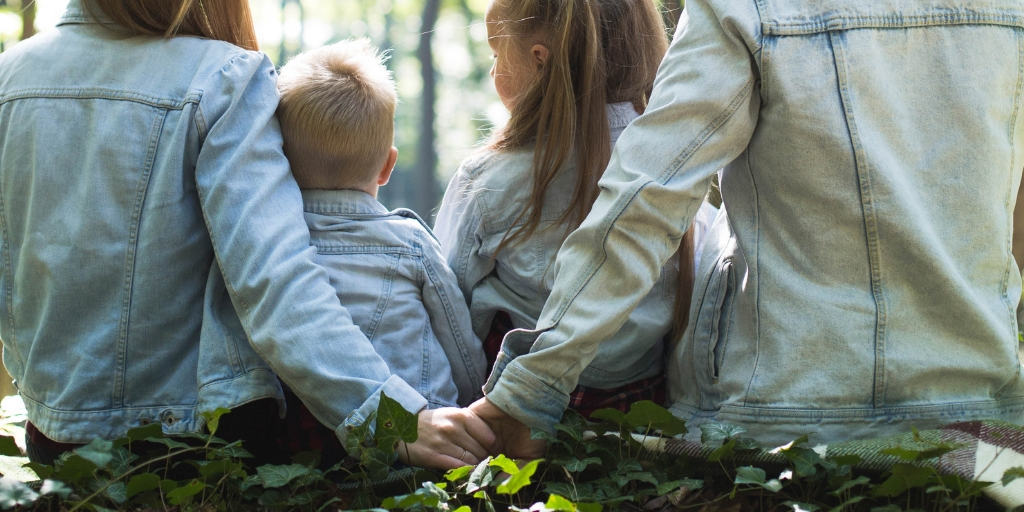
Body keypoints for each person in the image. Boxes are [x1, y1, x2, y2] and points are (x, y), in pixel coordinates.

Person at [470, 0, 1024, 456]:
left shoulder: (746, 5)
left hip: (783, 416)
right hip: (978, 408)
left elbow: (649, 197)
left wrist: (532, 388)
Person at [0, 0, 492, 469]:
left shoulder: (9, 76)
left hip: (54, 439)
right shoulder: (220, 79)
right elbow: (274, 282)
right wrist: (393, 420)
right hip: (184, 445)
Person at [435, 0, 716, 418]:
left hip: (514, 413)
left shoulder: (488, 179)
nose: (493, 71)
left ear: (539, 62)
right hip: (641, 410)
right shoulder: (678, 169)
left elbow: (448, 304)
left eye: (497, 54)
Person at [272, 40, 488, 460]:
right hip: (425, 441)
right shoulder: (410, 243)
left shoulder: (274, 246)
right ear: (388, 166)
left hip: (311, 450)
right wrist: (469, 403)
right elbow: (460, 344)